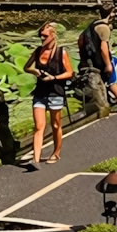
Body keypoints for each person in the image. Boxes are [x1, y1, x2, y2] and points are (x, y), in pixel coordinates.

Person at [22, 22, 73, 166]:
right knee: (39, 126)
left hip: (55, 92)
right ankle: (36, 159)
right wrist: (35, 71)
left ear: (53, 35)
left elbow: (69, 72)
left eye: (44, 36)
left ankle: (56, 153)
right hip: (40, 92)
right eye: (40, 36)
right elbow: (26, 67)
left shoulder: (61, 52)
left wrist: (54, 78)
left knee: (56, 124)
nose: (42, 38)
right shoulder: (38, 51)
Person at [77, 1, 117, 104]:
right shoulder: (104, 28)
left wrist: (83, 57)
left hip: (91, 60)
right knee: (112, 81)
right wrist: (108, 64)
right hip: (100, 61)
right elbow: (103, 48)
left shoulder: (93, 24)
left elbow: (80, 39)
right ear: (111, 12)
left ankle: (108, 100)